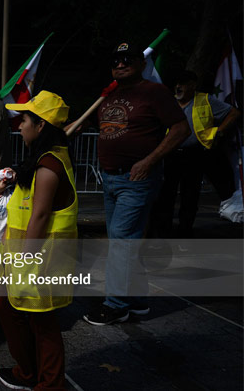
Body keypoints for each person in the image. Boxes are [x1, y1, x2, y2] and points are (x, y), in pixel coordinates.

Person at [80, 42, 189, 326]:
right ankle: (137, 301)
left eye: (127, 59)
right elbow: (108, 129)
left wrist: (149, 161)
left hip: (136, 178)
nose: (120, 64)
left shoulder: (154, 92)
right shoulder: (110, 94)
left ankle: (116, 305)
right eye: (115, 60)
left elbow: (180, 129)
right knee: (125, 242)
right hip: (110, 178)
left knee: (121, 242)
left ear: (141, 64)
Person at [0, 91, 77, 390]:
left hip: (37, 261)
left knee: (42, 325)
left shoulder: (48, 168)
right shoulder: (44, 160)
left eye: (25, 120)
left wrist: (22, 261)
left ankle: (48, 382)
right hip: (25, 258)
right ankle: (29, 372)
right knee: (11, 312)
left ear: (41, 126)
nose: (19, 126)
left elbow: (40, 218)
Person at [151, 70, 241, 238]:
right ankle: (163, 233)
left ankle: (185, 232)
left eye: (183, 84)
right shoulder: (169, 102)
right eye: (177, 83)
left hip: (195, 155)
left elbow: (234, 113)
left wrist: (219, 132)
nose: (178, 87)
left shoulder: (205, 100)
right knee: (165, 194)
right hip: (170, 154)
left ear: (193, 85)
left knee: (190, 195)